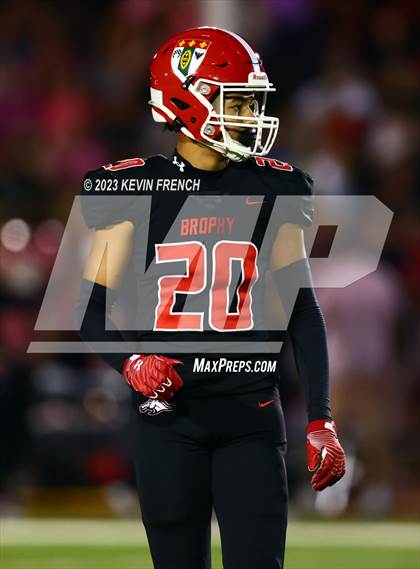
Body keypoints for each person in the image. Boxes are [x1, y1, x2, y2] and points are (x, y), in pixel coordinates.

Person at [77, 27, 345, 569]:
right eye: (236, 101)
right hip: (168, 417)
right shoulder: (132, 189)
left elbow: (302, 311)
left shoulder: (276, 186)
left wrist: (321, 419)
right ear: (186, 100)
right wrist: (131, 361)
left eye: (252, 101)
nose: (250, 115)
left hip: (251, 411)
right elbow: (89, 312)